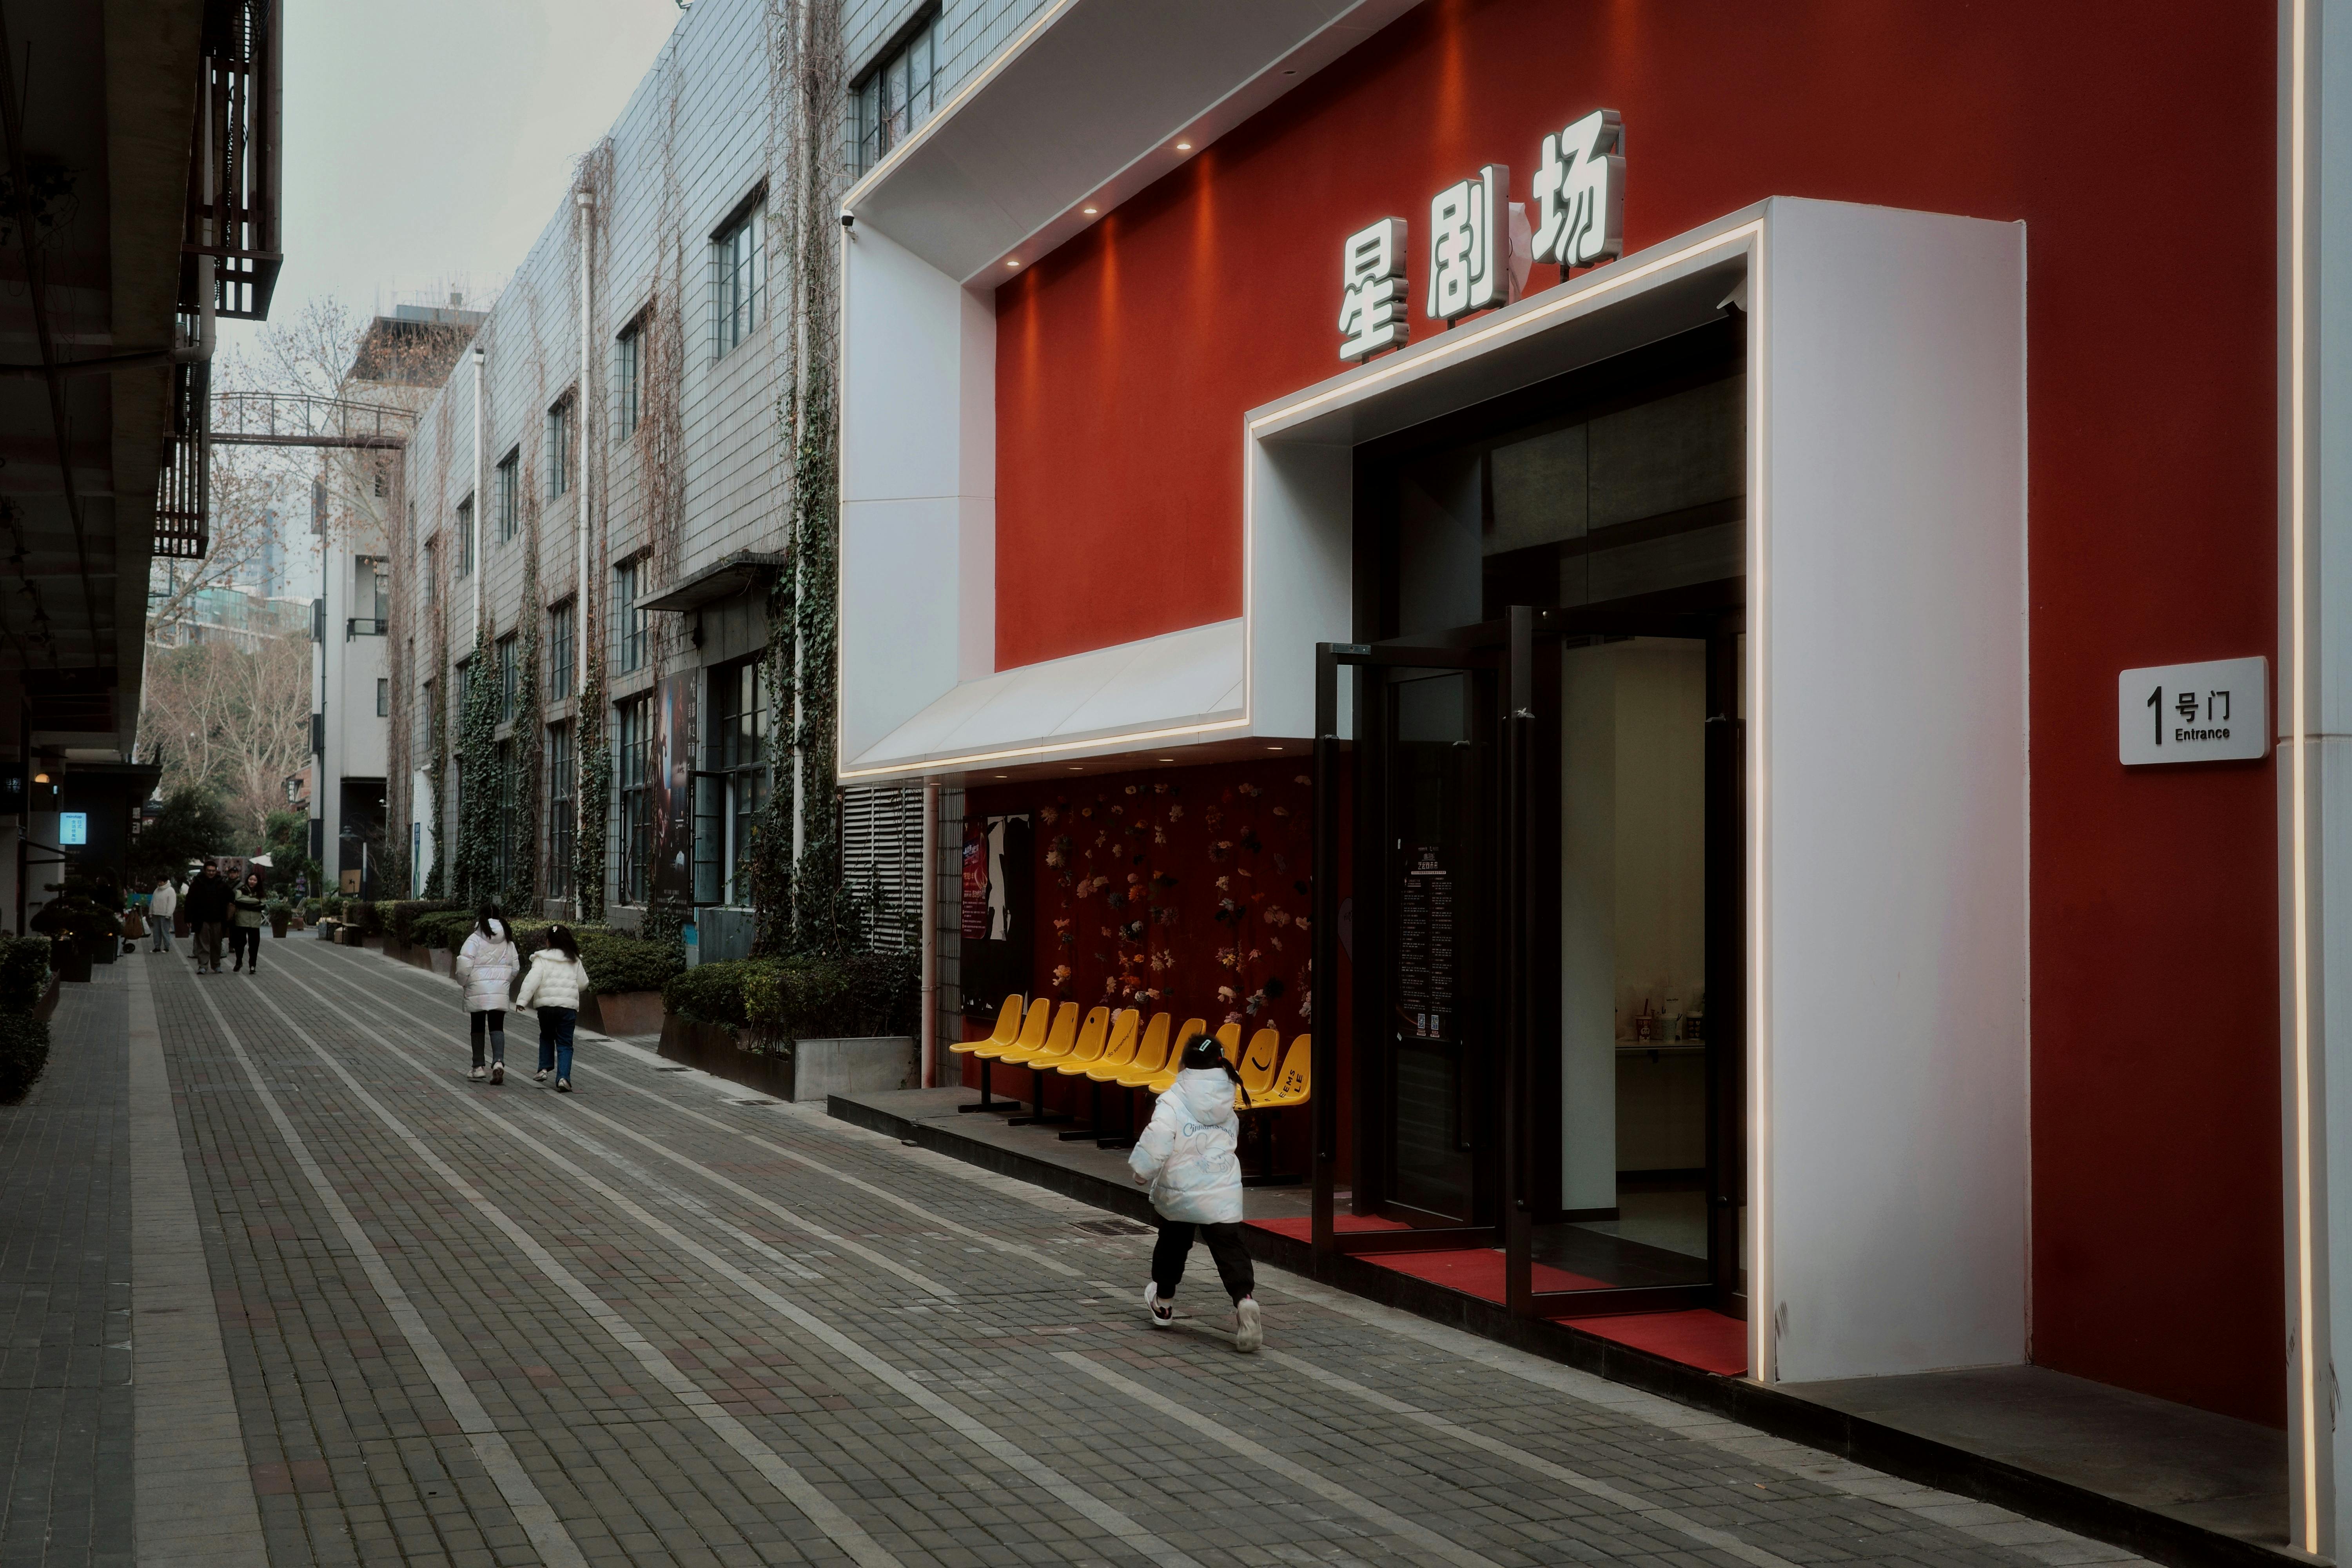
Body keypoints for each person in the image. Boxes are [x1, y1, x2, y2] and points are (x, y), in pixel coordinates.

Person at [1129, 1032, 1262, 1354]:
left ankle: (1163, 1302)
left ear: (1185, 1064)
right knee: (1230, 1250)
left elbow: (1159, 1136)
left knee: (1173, 1245)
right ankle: (1245, 1301)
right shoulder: (1227, 1098)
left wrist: (1141, 1170)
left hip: (1181, 1191)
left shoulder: (1174, 1098)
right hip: (1221, 1191)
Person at [514, 924, 590, 1093]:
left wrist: (522, 1000)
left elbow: (532, 980)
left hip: (546, 1007)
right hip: (567, 1007)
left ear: (548, 942)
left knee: (547, 1036)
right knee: (565, 1043)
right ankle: (564, 1078)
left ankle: (543, 1069)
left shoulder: (542, 958)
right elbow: (584, 983)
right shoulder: (574, 959)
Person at [454, 902, 519, 1084]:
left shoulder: (474, 939)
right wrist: (504, 982)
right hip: (499, 990)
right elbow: (515, 967)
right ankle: (498, 1062)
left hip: (477, 989)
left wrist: (465, 983)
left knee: (477, 1026)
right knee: (497, 1026)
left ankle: (478, 1067)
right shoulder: (507, 940)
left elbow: (463, 967)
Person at [184, 861, 231, 975]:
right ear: (205, 871)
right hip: (202, 919)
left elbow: (231, 898)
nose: (211, 873)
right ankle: (203, 966)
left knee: (217, 943)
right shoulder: (197, 884)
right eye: (209, 871)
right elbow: (189, 901)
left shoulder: (222, 884)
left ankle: (216, 965)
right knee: (203, 944)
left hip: (218, 919)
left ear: (216, 871)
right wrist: (188, 918)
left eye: (213, 871)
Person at [229, 871, 267, 974]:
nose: (252, 882)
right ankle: (239, 961)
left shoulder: (261, 892)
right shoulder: (240, 890)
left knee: (254, 945)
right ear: (247, 880)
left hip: (255, 923)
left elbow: (263, 905)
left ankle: (253, 965)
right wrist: (256, 901)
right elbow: (239, 900)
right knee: (240, 944)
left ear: (258, 882)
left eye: (255, 880)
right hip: (242, 921)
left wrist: (246, 903)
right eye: (251, 879)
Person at [147, 877, 177, 955]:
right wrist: (151, 912)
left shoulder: (170, 890)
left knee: (165, 932)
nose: (159, 884)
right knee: (156, 932)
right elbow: (153, 902)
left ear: (166, 882)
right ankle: (157, 947)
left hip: (165, 915)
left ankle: (166, 947)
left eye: (161, 882)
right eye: (159, 882)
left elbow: (172, 904)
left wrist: (169, 914)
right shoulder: (157, 890)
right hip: (156, 914)